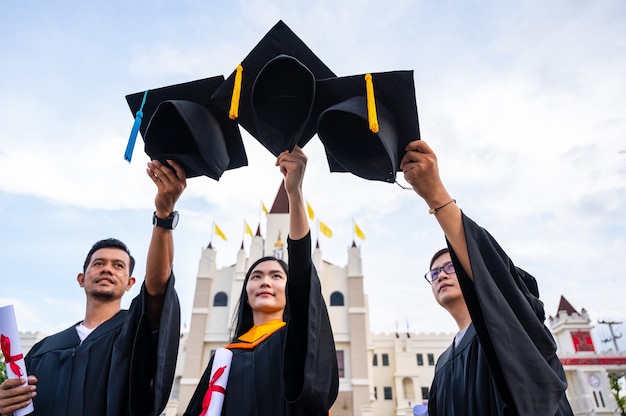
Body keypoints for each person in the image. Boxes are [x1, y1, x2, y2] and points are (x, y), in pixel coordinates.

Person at [400, 140, 574, 415]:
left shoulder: (510, 327)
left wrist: (436, 196)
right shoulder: (443, 365)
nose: (441, 275)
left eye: (450, 267)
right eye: (434, 273)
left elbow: (494, 275)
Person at [0, 159, 186, 416]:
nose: (108, 269)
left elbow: (158, 287)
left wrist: (164, 217)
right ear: (81, 278)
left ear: (131, 283)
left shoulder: (134, 332)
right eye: (98, 263)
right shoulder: (43, 351)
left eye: (118, 266)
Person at [183, 146, 339, 415]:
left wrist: (295, 194)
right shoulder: (225, 359)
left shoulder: (296, 342)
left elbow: (302, 275)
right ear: (245, 292)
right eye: (256, 276)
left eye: (277, 276)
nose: (265, 281)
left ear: (289, 290)